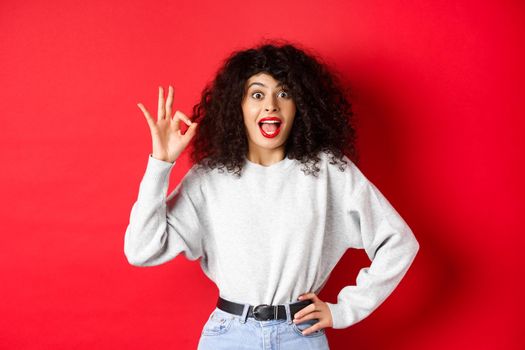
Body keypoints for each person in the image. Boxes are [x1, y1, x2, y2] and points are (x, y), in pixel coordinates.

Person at [124, 40, 420, 350]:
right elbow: (141, 250)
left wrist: (344, 310)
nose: (271, 105)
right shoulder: (209, 178)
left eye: (284, 93)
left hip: (300, 335)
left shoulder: (328, 172)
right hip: (229, 336)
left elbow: (398, 243)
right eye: (257, 94)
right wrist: (160, 164)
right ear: (238, 106)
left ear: (300, 106)